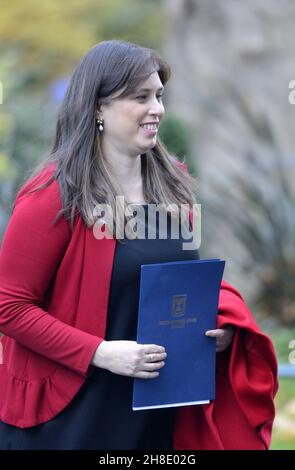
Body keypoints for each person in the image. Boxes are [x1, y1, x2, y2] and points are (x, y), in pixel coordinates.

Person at [0, 40, 277, 450]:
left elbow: (182, 284)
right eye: (140, 97)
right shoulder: (54, 194)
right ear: (98, 107)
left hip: (158, 409)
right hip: (72, 416)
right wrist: (100, 352)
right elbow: (9, 305)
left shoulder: (174, 184)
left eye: (159, 96)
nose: (157, 109)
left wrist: (219, 327)